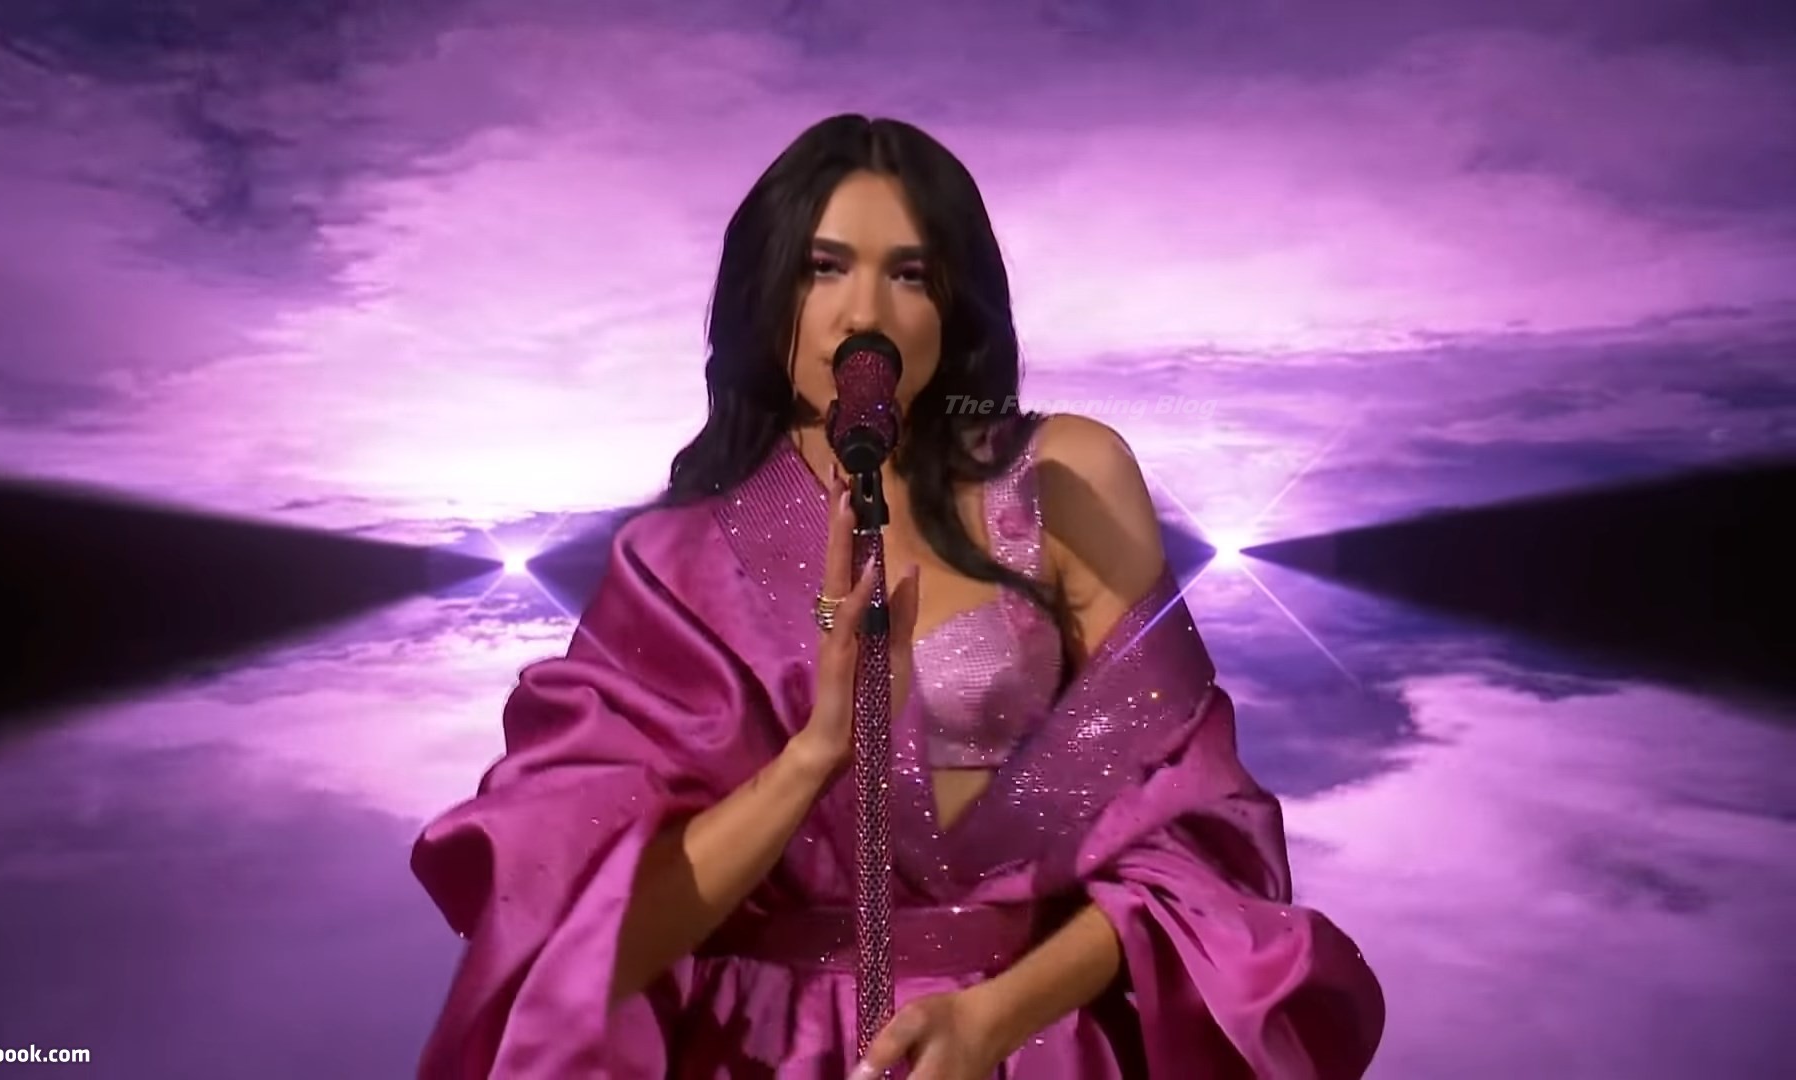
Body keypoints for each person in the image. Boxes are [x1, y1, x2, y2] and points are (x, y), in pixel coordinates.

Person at [410, 114, 1386, 1078]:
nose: (863, 313)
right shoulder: (671, 563)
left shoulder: (1063, 479)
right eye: (823, 268)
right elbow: (591, 944)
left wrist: (993, 1019)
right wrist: (813, 755)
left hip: (1030, 1044)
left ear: (955, 304)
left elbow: (1195, 841)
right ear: (766, 293)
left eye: (910, 274)